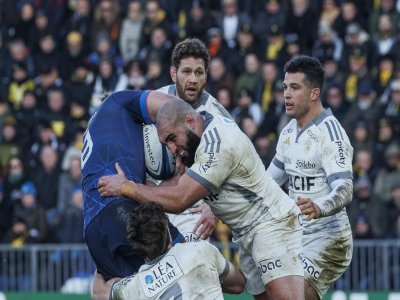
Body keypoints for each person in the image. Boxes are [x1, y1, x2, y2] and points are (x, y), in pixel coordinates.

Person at [98, 95, 305, 299]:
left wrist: (127, 188)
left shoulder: (218, 143)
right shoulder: (194, 140)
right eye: (166, 143)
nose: (171, 148)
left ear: (190, 121)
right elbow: (176, 186)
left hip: (271, 225)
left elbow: (179, 199)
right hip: (246, 233)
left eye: (172, 138)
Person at [82, 90, 195, 285]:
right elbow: (174, 107)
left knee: (126, 290)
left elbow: (148, 188)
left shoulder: (97, 130)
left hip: (92, 229)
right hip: (121, 208)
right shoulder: (118, 101)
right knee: (188, 267)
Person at [266, 55, 353, 300]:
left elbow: (345, 188)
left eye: (295, 88)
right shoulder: (288, 131)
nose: (286, 94)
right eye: (285, 87)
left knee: (292, 295)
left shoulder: (331, 133)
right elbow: (266, 183)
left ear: (314, 93)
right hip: (297, 235)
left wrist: (319, 207)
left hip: (330, 239)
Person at [158, 37, 231, 242]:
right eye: (186, 72)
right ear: (174, 73)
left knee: (189, 269)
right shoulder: (154, 100)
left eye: (199, 73)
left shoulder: (218, 117)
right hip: (153, 199)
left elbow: (230, 168)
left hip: (193, 210)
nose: (193, 79)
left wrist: (213, 209)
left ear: (206, 76)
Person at [99, 202, 246, 299]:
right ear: (169, 233)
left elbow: (98, 291)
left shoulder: (131, 289)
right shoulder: (200, 250)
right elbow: (238, 284)